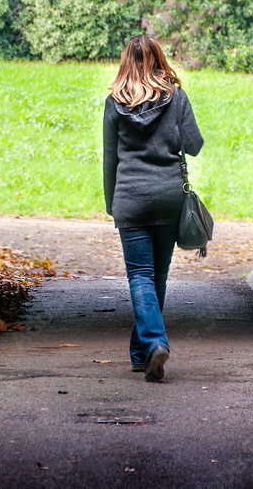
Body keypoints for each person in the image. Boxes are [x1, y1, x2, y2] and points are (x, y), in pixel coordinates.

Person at [103, 35, 204, 382]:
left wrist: (112, 204)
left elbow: (109, 160)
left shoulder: (114, 103)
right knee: (156, 276)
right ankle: (145, 351)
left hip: (130, 198)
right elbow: (194, 146)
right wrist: (177, 118)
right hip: (168, 198)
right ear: (160, 59)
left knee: (140, 276)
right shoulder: (176, 98)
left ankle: (152, 344)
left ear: (125, 63)